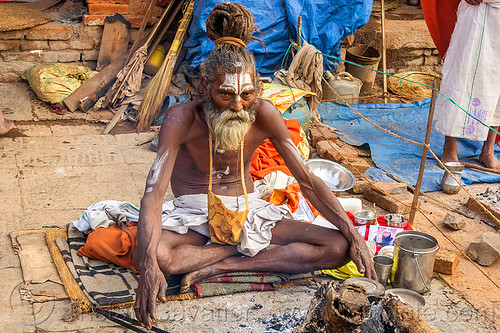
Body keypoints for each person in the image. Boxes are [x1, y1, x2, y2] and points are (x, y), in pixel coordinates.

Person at [133, 2, 375, 329]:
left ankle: (225, 264)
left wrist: (353, 232)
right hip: (195, 214)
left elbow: (307, 180)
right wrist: (148, 265)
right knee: (159, 256)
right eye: (226, 94)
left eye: (246, 94)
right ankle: (238, 249)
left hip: (250, 212)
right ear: (205, 88)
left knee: (339, 246)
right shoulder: (182, 119)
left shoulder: (263, 113)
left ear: (256, 89)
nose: (237, 105)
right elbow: (153, 192)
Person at [434, 0, 500, 169]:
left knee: (497, 81)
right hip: (477, 11)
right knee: (461, 76)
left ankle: (488, 150)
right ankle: (449, 148)